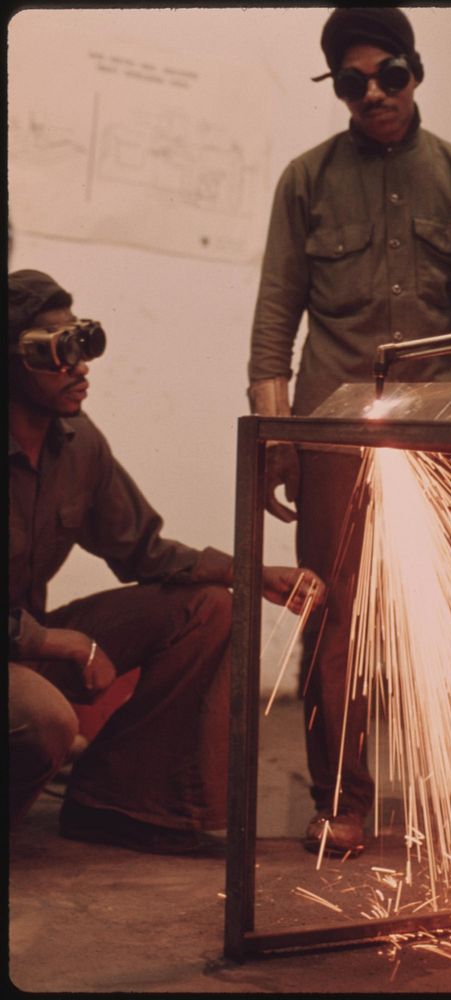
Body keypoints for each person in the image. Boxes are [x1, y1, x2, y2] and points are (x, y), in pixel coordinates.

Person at [247, 7, 451, 856]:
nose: (374, 95)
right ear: (338, 88)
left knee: (443, 618)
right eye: (353, 82)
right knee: (338, 623)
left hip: (438, 433)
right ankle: (343, 799)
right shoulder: (305, 180)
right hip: (333, 438)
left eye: (389, 75)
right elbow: (272, 328)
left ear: (415, 71)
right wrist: (277, 440)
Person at [9, 268, 325, 854]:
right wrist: (67, 645)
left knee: (207, 609)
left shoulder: (77, 442)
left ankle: (120, 804)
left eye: (83, 345)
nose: (79, 367)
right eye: (57, 352)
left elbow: (144, 552)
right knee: (47, 717)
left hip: (25, 650)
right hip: (21, 653)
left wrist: (254, 575)